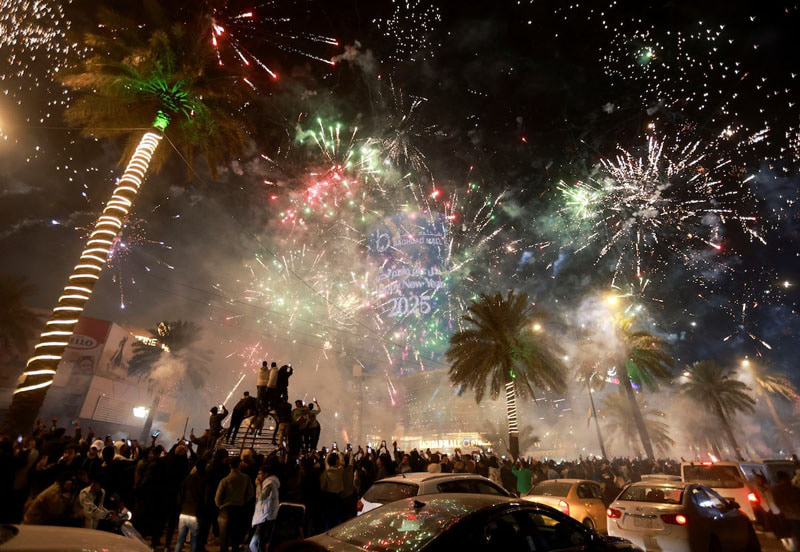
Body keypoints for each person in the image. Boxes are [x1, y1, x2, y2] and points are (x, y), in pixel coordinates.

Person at [215, 456, 254, 552]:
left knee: (224, 539)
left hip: (225, 510)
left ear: (229, 465)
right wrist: (243, 501)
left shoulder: (224, 480)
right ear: (239, 464)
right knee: (236, 538)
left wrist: (220, 505)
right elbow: (251, 494)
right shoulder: (246, 478)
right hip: (239, 509)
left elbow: (217, 498)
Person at [175, 458, 207, 552]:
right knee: (194, 540)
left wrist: (180, 508)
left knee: (180, 540)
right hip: (195, 513)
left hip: (184, 512)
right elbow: (206, 498)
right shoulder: (204, 480)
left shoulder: (188, 478)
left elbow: (181, 494)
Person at [250, 462, 280, 552]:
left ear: (266, 474)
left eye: (260, 473)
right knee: (259, 543)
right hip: (266, 515)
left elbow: (262, 497)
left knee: (254, 544)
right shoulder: (270, 483)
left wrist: (258, 485)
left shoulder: (269, 483)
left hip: (265, 517)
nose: (258, 476)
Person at [772, 470, 800, 549]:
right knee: (796, 530)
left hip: (789, 514)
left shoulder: (776, 490)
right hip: (795, 513)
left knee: (796, 530)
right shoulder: (792, 488)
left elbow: (777, 502)